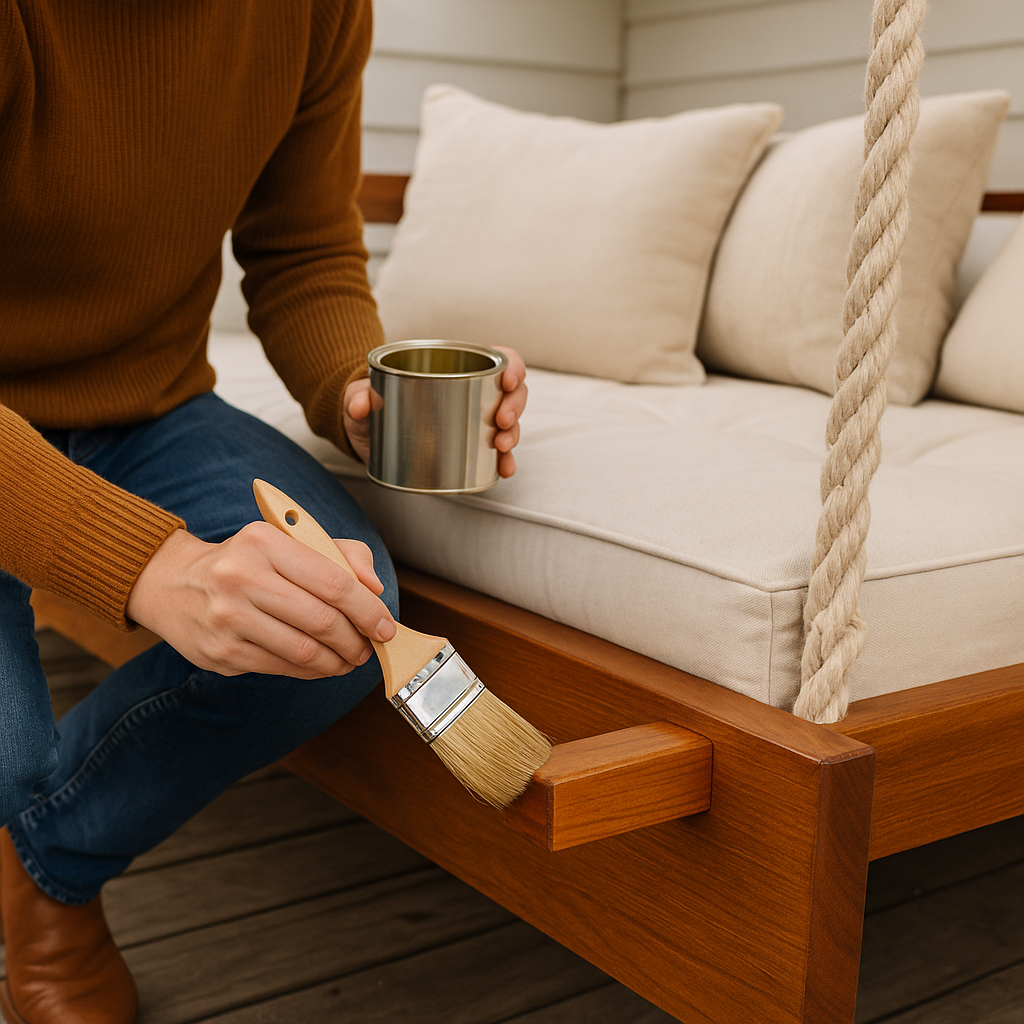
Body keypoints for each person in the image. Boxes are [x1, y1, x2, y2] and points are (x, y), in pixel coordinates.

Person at [0, 2, 528, 1021]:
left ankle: (47, 869)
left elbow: (304, 251)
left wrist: (358, 401)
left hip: (148, 400)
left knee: (330, 609)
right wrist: (155, 566)